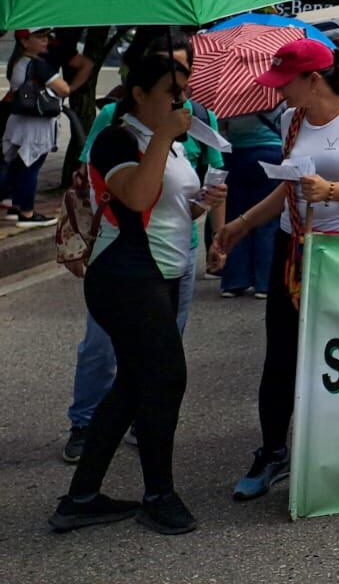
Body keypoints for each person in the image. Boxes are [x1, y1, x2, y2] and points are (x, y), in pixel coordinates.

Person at [213, 38, 339, 503]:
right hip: (294, 247)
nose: (278, 91)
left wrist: (332, 190)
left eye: (285, 82)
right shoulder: (289, 119)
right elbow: (289, 188)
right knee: (281, 352)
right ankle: (273, 451)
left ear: (314, 79)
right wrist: (240, 224)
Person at [48, 54, 211, 536]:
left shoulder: (171, 141)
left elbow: (166, 208)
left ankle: (81, 498)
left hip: (162, 272)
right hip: (124, 275)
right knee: (166, 379)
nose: (181, 103)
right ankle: (159, 495)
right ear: (138, 94)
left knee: (134, 384)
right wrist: (163, 137)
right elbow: (136, 197)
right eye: (171, 93)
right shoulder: (117, 138)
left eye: (185, 93)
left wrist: (201, 205)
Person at [2, 28, 71, 225]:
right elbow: (64, 89)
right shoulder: (39, 65)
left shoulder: (17, 62)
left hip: (19, 121)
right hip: (35, 125)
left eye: (46, 37)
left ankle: (16, 207)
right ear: (25, 42)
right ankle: (27, 214)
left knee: (19, 166)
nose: (45, 40)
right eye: (39, 37)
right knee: (30, 168)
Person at [217, 104, 283, 298]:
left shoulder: (229, 97)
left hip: (236, 156)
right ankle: (265, 282)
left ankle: (234, 280)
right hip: (270, 153)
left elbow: (222, 128)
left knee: (235, 215)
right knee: (268, 219)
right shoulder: (273, 96)